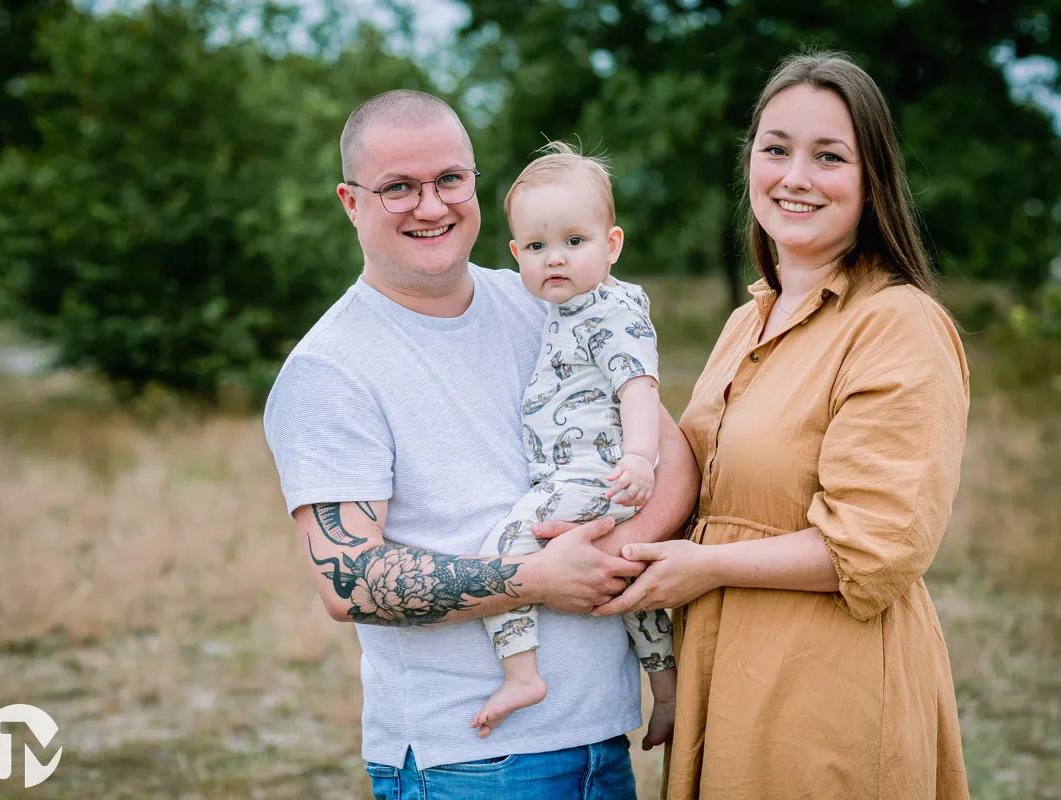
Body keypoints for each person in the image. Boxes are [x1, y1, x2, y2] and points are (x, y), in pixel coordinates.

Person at [262, 90, 699, 800]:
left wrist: (615, 554)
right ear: (350, 201)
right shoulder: (329, 369)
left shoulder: (546, 298)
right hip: (468, 762)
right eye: (398, 187)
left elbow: (669, 451)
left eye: (448, 181)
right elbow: (348, 581)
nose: (430, 206)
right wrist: (538, 579)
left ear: (474, 183)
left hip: (601, 740)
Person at [587, 52, 972, 798]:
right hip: (722, 670)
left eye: (828, 156)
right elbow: (692, 472)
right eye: (776, 149)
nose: (795, 176)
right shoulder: (749, 317)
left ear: (871, 181)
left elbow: (875, 546)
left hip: (824, 687)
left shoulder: (897, 324)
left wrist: (707, 566)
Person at [470, 142, 677, 747]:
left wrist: (639, 457)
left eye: (573, 242)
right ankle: (666, 689)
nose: (553, 259)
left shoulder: (610, 311)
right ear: (516, 255)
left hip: (596, 479)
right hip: (586, 480)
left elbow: (638, 385)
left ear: (612, 244)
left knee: (502, 549)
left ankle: (522, 674)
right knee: (629, 589)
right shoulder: (570, 311)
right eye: (536, 247)